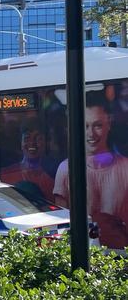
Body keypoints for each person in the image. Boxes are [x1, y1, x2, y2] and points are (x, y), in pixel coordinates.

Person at [53, 92, 128, 249]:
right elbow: (61, 224)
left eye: (97, 125)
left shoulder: (125, 168)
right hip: (83, 256)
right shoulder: (66, 169)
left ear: (109, 124)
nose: (90, 134)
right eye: (85, 126)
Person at [0, 122, 55, 202]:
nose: (32, 143)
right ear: (20, 143)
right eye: (27, 138)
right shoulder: (6, 173)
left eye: (38, 138)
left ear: (46, 143)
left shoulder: (53, 174)